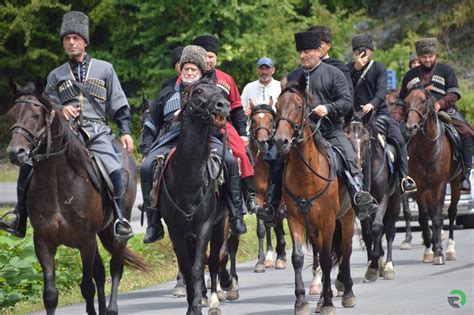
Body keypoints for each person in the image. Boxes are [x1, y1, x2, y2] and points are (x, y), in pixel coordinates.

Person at [0, 11, 134, 240]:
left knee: (114, 167)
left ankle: (120, 219)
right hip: (63, 132)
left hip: (96, 131)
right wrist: (62, 110)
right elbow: (46, 106)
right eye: (67, 39)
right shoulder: (55, 75)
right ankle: (20, 217)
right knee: (28, 166)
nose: (71, 42)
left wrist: (125, 131)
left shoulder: (105, 69)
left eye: (76, 38)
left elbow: (118, 102)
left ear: (85, 42)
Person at [258, 30, 380, 223]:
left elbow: (346, 102)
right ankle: (271, 205)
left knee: (348, 156)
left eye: (307, 51)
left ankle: (359, 196)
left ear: (318, 51)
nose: (302, 55)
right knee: (274, 156)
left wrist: (328, 107)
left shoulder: (334, 73)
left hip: (330, 130)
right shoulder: (293, 76)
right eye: (300, 52)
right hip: (297, 135)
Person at [140, 45, 249, 242]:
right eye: (186, 69)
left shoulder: (211, 92)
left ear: (200, 72)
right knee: (147, 166)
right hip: (169, 139)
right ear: (180, 70)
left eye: (193, 69)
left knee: (231, 161)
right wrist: (147, 146)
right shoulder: (166, 93)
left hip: (204, 140)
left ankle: (236, 215)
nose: (189, 72)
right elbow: (151, 123)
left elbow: (222, 117)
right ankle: (153, 223)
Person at [193, 35, 259, 219]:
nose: (207, 60)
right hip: (195, 128)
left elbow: (237, 109)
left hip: (222, 125)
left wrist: (242, 134)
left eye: (211, 56)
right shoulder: (190, 74)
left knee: (241, 154)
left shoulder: (226, 79)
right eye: (204, 56)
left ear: (216, 58)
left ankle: (250, 195)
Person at [399, 38, 474, 191]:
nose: (428, 59)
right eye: (424, 57)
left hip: (444, 110)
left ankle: (465, 177)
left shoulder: (446, 70)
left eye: (431, 56)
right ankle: (403, 177)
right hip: (417, 114)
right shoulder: (410, 75)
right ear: (419, 57)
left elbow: (454, 92)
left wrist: (440, 104)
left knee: (467, 132)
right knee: (398, 136)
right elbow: (402, 99)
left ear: (435, 55)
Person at [348, 33, 417, 194]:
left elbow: (381, 91)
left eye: (365, 50)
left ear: (371, 51)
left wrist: (372, 104)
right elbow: (345, 89)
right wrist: (355, 70)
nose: (362, 53)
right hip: (354, 116)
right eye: (358, 51)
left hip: (379, 114)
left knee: (399, 139)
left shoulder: (379, 67)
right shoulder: (347, 69)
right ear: (354, 53)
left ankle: (404, 179)